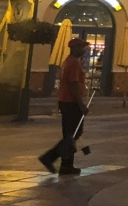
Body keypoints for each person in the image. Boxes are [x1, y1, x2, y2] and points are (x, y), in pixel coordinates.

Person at [38, 38, 90, 175]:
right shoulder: (74, 63)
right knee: (73, 134)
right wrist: (81, 104)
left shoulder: (68, 61)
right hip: (71, 102)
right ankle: (51, 158)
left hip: (65, 101)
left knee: (70, 135)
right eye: (81, 47)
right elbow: (73, 84)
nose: (83, 50)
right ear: (74, 48)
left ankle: (65, 165)